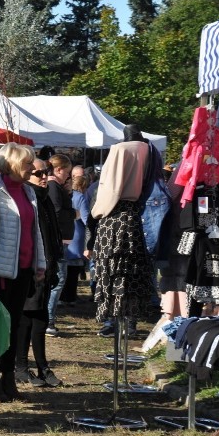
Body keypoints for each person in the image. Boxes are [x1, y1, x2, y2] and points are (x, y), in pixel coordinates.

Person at [0, 143, 47, 401]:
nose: (33, 167)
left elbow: (34, 231)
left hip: (24, 269)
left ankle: (8, 376)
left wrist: (40, 263)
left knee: (15, 326)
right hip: (0, 272)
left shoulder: (28, 192)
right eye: (28, 163)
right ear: (15, 164)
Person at [89, 127, 157, 333]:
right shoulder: (151, 150)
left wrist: (97, 212)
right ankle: (129, 322)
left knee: (115, 271)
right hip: (138, 216)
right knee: (132, 271)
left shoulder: (120, 149)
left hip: (115, 218)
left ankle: (115, 321)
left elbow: (111, 187)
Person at [15, 157, 63, 388]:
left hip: (47, 266)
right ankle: (23, 367)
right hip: (31, 269)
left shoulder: (43, 198)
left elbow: (51, 234)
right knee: (28, 319)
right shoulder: (28, 197)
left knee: (40, 319)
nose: (44, 177)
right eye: (38, 173)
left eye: (47, 172)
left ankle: (41, 366)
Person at [45, 153, 74, 337]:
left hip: (61, 238)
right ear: (59, 169)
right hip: (58, 239)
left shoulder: (56, 186)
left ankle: (49, 317)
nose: (69, 176)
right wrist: (73, 213)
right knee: (58, 278)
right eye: (67, 172)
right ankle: (49, 318)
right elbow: (56, 212)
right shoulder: (53, 186)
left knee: (57, 278)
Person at [62, 175, 91, 305]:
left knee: (63, 269)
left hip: (63, 236)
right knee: (73, 271)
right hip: (75, 236)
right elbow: (86, 220)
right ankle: (70, 296)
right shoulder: (79, 197)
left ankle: (63, 297)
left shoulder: (57, 194)